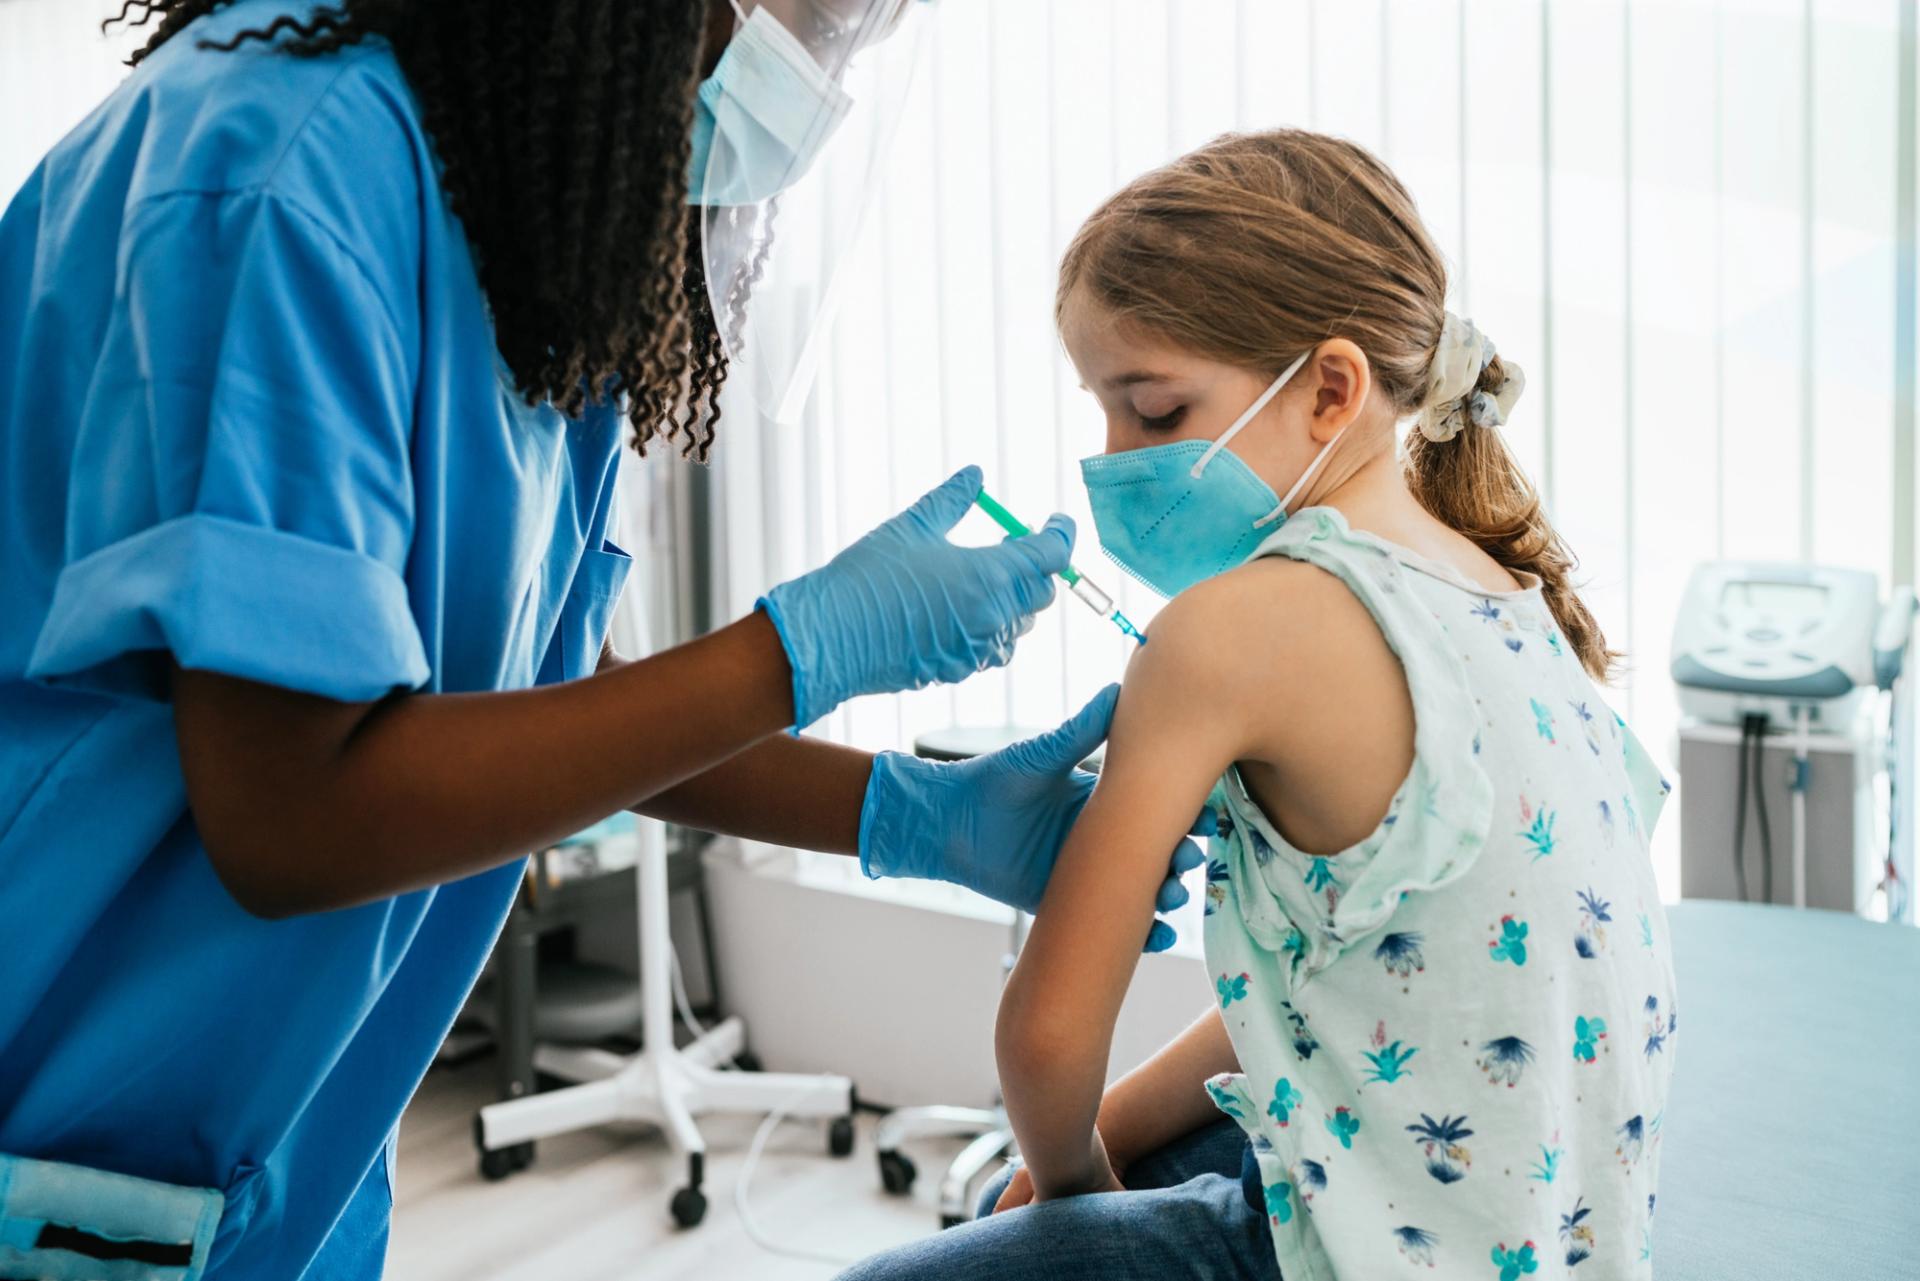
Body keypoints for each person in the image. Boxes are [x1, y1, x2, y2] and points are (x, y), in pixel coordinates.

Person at [0, 3, 1200, 1277]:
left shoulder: (511, 213)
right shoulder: (284, 183)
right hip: (68, 1108)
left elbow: (543, 707)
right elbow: (291, 811)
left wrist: (908, 813)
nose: (810, 74)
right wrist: (794, 653)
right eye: (799, 16)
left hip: (271, 1139)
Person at [839, 129, 1677, 1281]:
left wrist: (1070, 1203)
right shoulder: (1512, 599)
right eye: (1103, 412)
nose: (1113, 458)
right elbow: (1360, 995)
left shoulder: (1231, 633)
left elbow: (1044, 1042)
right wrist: (1115, 1145)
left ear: (1330, 387)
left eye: (1154, 410)